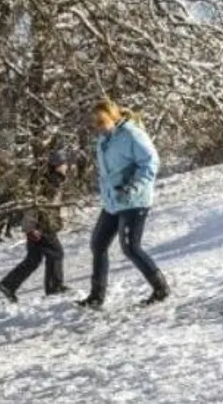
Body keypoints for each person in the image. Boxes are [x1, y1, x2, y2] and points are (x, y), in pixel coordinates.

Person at [76, 99, 170, 309]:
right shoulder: (104, 140)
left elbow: (150, 162)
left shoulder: (131, 134)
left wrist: (132, 187)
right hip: (113, 201)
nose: (98, 127)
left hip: (134, 199)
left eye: (101, 121)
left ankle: (161, 288)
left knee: (130, 247)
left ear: (113, 116)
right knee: (98, 244)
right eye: (95, 123)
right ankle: (96, 296)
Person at [0, 151, 71, 302]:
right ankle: (54, 288)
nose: (66, 167)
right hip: (41, 226)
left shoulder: (51, 179)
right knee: (56, 253)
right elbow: (35, 206)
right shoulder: (49, 181)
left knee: (34, 259)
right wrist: (32, 228)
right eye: (64, 164)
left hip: (39, 225)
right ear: (57, 165)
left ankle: (8, 285)